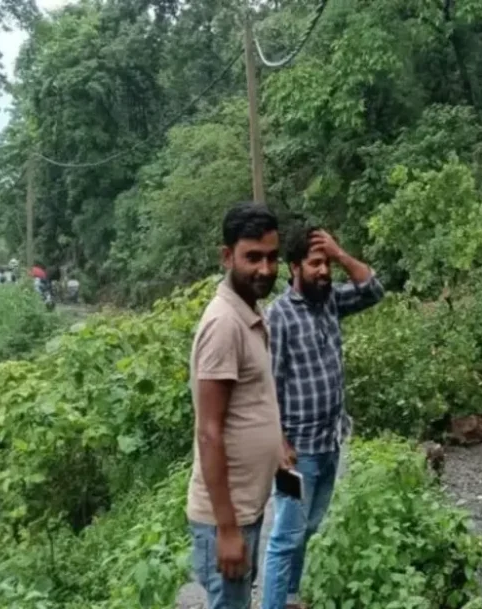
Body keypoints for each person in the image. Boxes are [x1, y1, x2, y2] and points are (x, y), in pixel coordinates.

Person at [262, 226, 384, 609]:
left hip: (329, 442)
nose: (324, 271)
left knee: (309, 526)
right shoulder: (279, 316)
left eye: (326, 263)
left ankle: (290, 597)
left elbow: (373, 290)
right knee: (286, 536)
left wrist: (340, 253)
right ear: (294, 267)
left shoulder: (329, 300)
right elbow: (267, 385)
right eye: (315, 263)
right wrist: (278, 444)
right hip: (297, 453)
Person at [187, 202, 287, 609]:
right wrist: (227, 530)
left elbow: (250, 401)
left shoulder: (249, 311)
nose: (265, 269)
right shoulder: (224, 324)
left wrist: (276, 446)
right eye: (253, 257)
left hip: (245, 508)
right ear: (227, 256)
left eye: (272, 257)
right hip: (225, 518)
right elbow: (209, 432)